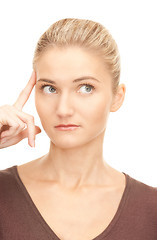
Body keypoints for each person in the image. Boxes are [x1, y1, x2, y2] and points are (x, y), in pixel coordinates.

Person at [0, 18, 156, 240]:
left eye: (85, 87)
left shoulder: (151, 210)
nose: (63, 109)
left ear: (117, 97)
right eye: (50, 88)